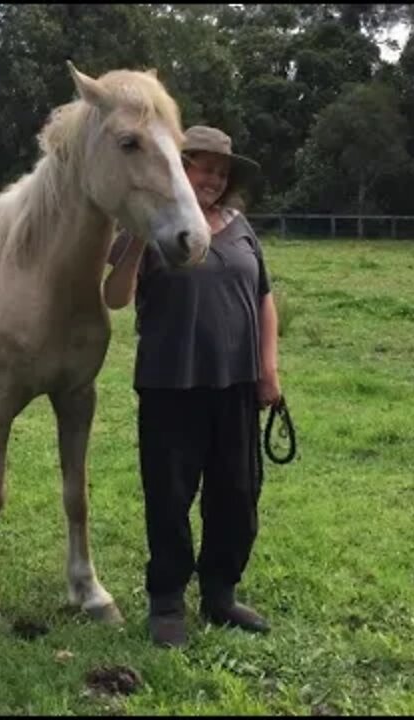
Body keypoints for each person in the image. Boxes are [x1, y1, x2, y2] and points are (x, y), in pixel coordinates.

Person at [104, 125, 282, 649]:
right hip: (170, 384)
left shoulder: (239, 225)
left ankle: (220, 594)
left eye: (221, 172)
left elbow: (264, 297)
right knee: (169, 497)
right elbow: (115, 297)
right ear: (178, 168)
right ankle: (166, 602)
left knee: (238, 493)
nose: (213, 179)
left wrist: (268, 369)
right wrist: (136, 240)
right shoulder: (155, 227)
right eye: (203, 167)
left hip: (236, 385)